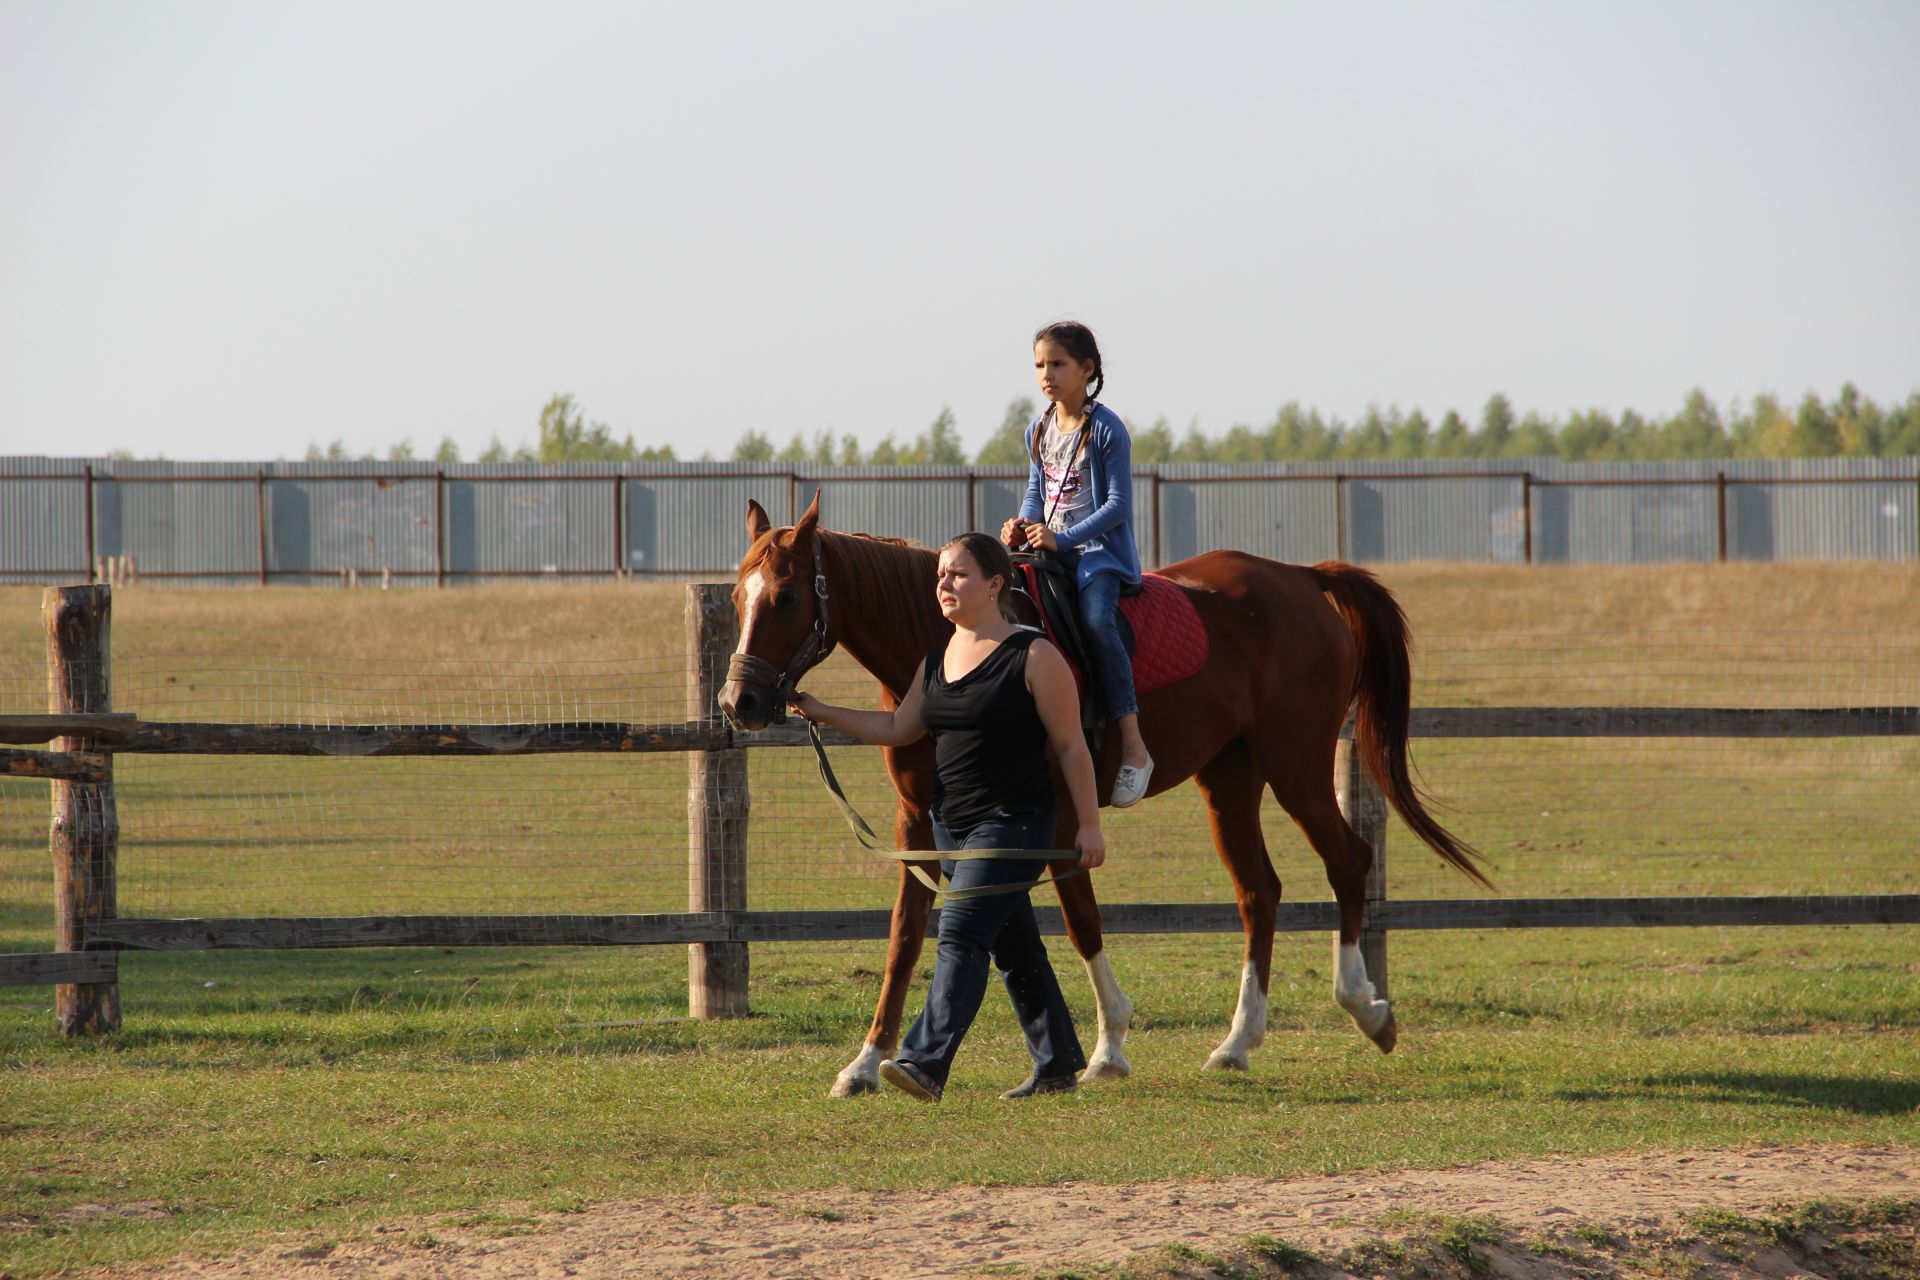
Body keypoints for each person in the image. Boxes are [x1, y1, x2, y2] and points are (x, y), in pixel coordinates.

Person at [788, 532, 1106, 1102]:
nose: (944, 584)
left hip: (1014, 822)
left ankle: (924, 1063)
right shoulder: (936, 660)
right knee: (1014, 946)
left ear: (993, 584)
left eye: (957, 574)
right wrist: (821, 710)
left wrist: (1088, 825)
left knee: (959, 932)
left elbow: (1071, 748)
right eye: (940, 574)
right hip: (951, 824)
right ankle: (1057, 1061)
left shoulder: (1034, 655)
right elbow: (898, 728)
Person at [1000, 320, 1152, 808]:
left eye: (1058, 364)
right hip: (1048, 550)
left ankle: (1133, 746)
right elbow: (1035, 491)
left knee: (1095, 621)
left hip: (1098, 557)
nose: (1047, 374)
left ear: (1087, 369)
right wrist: (1021, 525)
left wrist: (1063, 539)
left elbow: (1117, 505)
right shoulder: (1037, 429)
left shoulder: (1107, 429)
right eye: (1040, 365)